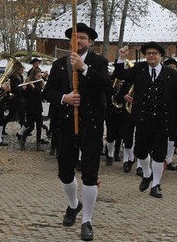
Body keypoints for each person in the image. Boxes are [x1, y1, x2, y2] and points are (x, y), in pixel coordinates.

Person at [43, 23, 110, 241]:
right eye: (74, 38)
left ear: (90, 42)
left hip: (91, 126)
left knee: (90, 174)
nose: (78, 41)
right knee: (65, 172)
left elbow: (106, 87)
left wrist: (84, 69)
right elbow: (47, 92)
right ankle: (74, 204)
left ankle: (87, 220)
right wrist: (64, 98)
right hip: (65, 125)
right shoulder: (59, 64)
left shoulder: (99, 62)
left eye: (82, 38)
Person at [114, 42, 177, 199]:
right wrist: (121, 57)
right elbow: (120, 74)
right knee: (140, 152)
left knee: (159, 154)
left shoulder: (172, 74)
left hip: (163, 120)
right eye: (148, 53)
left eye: (154, 53)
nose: (151, 56)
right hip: (142, 118)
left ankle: (156, 184)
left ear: (160, 56)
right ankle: (147, 173)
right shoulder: (139, 69)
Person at [17, 68, 48, 151]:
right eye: (38, 76)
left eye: (40, 76)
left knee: (39, 126)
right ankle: (22, 138)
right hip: (30, 108)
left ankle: (38, 144)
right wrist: (24, 88)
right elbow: (24, 95)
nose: (40, 77)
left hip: (38, 107)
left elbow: (40, 93)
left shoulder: (38, 83)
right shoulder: (29, 83)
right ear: (34, 76)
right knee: (31, 126)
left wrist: (40, 85)